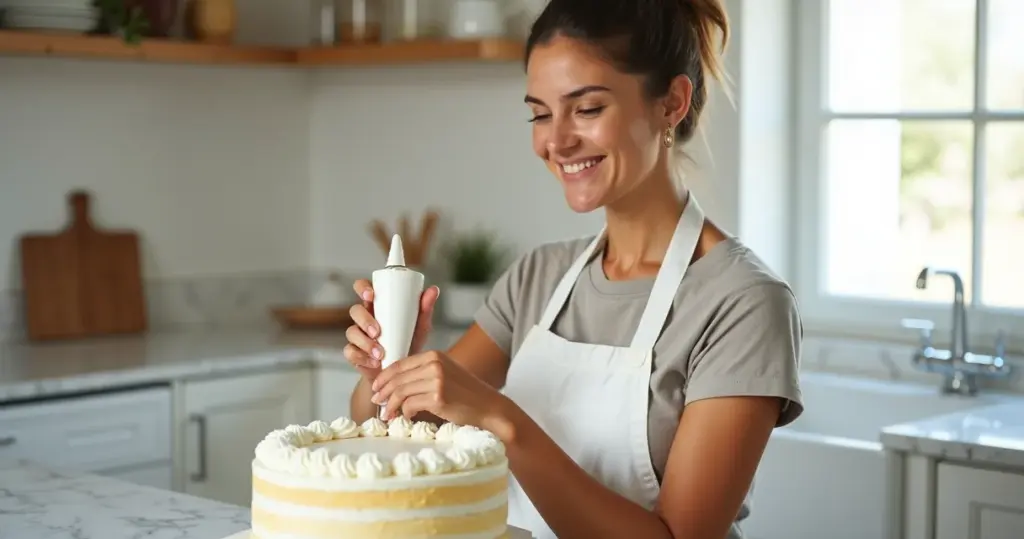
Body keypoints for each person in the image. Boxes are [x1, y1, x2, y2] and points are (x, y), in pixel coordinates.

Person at [344, 0, 804, 537]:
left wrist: (502, 421)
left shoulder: (741, 302)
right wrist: (390, 370)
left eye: (586, 109)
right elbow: (395, 428)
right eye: (540, 113)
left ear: (671, 103)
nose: (556, 141)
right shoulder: (538, 277)